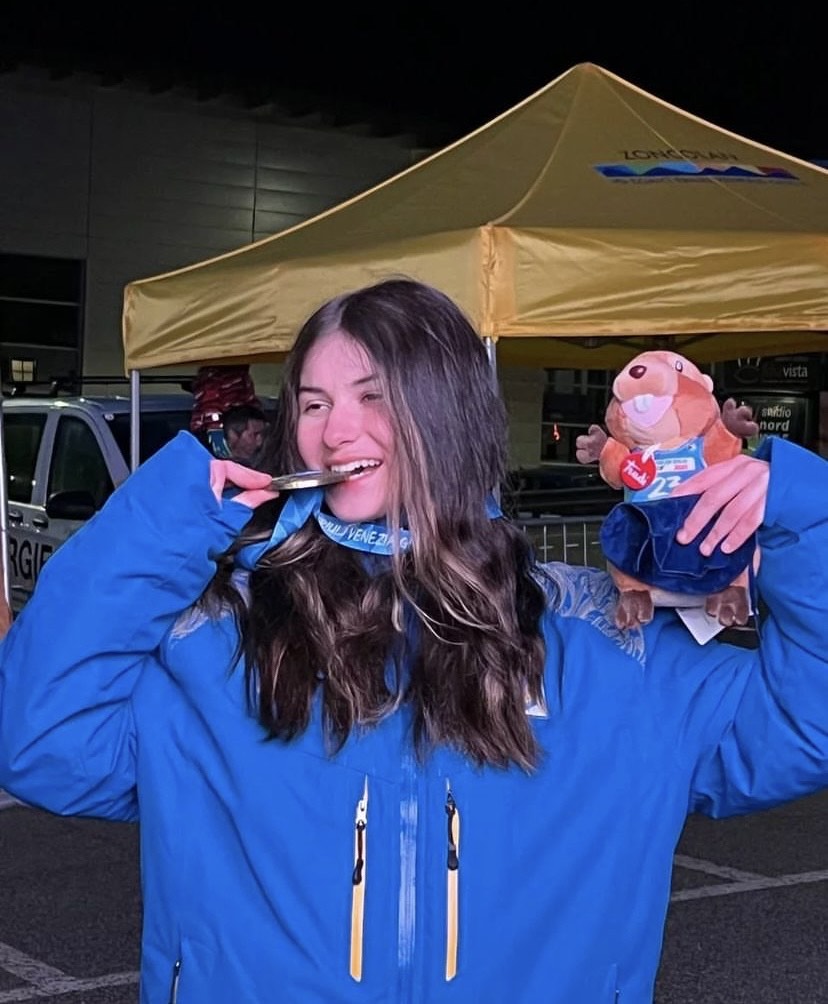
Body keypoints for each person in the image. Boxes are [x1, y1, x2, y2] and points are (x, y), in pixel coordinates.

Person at [0, 277, 826, 1004]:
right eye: (313, 404)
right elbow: (39, 742)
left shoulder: (606, 642)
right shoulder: (223, 633)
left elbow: (804, 722)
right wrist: (161, 520)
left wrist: (803, 516)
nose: (334, 432)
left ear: (450, 414)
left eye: (374, 397)